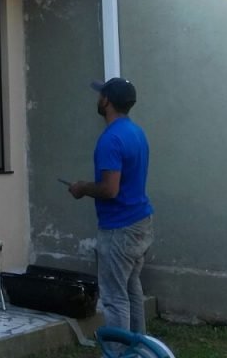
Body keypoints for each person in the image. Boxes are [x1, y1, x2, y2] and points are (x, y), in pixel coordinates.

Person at [69, 78, 154, 334]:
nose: (98, 99)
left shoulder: (111, 139)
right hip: (140, 221)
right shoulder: (136, 132)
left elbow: (109, 189)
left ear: (107, 101)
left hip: (119, 228)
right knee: (131, 289)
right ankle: (138, 347)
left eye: (100, 95)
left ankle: (118, 351)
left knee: (115, 298)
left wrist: (82, 188)